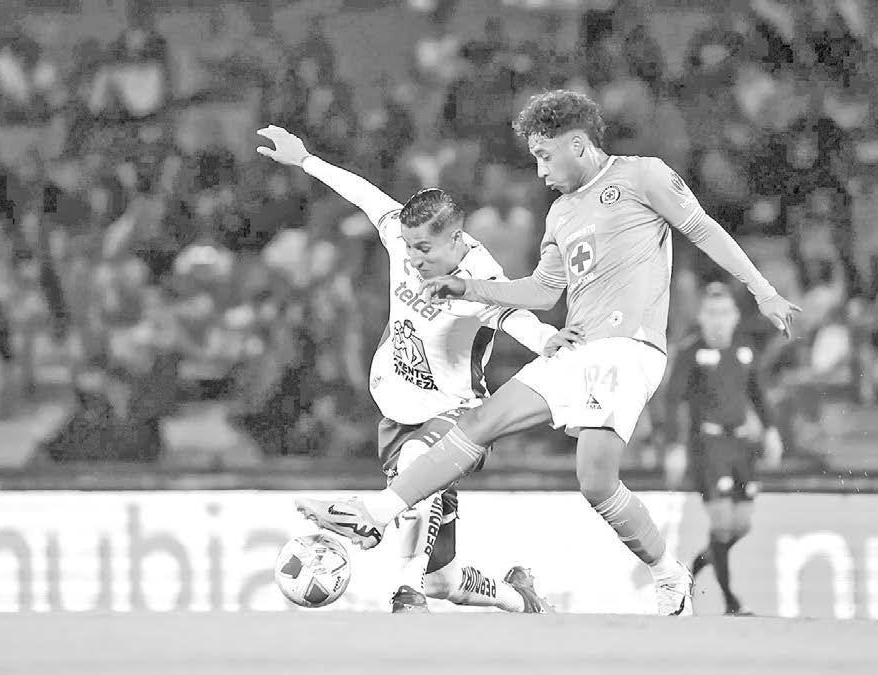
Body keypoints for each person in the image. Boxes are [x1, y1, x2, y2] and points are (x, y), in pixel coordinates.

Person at [292, 90, 800, 616]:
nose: (539, 171)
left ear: (577, 145)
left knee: (585, 475)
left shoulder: (643, 176)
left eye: (544, 155)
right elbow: (542, 292)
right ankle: (374, 513)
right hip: (578, 349)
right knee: (526, 446)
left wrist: (762, 290)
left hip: (627, 349)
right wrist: (467, 288)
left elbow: (703, 229)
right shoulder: (560, 213)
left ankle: (666, 575)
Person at [257, 125, 573, 614]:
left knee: (416, 465)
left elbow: (515, 317)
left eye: (423, 248)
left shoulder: (481, 277)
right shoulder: (402, 241)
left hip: (458, 416)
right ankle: (523, 600)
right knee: (445, 579)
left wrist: (549, 341)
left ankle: (403, 589)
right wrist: (305, 160)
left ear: (456, 239)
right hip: (398, 413)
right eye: (408, 246)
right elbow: (365, 195)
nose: (412, 257)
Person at [661, 282, 783, 616]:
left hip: (741, 445)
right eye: (711, 313)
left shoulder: (744, 350)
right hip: (708, 446)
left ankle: (691, 571)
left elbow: (758, 394)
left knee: (741, 525)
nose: (718, 320)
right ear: (701, 317)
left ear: (735, 317)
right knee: (722, 523)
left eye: (724, 313)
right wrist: (674, 446)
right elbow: (672, 400)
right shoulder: (691, 352)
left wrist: (771, 430)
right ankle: (731, 601)